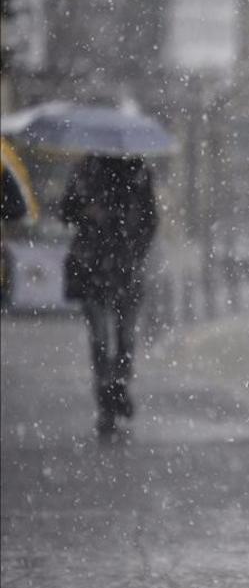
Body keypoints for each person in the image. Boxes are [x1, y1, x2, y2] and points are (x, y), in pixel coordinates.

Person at [59, 156, 158, 436]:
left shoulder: (139, 173)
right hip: (92, 269)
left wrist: (134, 250)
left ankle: (119, 387)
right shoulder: (84, 170)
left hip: (126, 269)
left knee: (125, 337)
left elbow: (151, 221)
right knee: (101, 338)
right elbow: (65, 211)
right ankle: (106, 396)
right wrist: (85, 210)